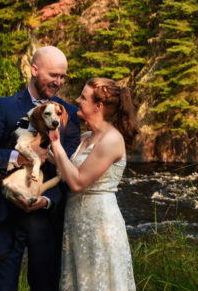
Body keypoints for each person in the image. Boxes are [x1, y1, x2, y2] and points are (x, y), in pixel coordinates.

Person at [0, 46, 81, 291]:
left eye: (63, 76)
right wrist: (21, 159)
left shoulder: (69, 114)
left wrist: (47, 200)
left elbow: (71, 167)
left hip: (47, 219)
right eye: (53, 75)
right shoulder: (3, 107)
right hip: (4, 214)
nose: (59, 81)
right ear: (34, 70)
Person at [48, 77, 138, 291]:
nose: (77, 100)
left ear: (98, 106)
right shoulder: (87, 136)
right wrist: (47, 155)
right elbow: (68, 171)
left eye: (83, 97)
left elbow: (78, 182)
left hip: (100, 226)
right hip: (76, 223)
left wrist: (56, 143)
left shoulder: (112, 139)